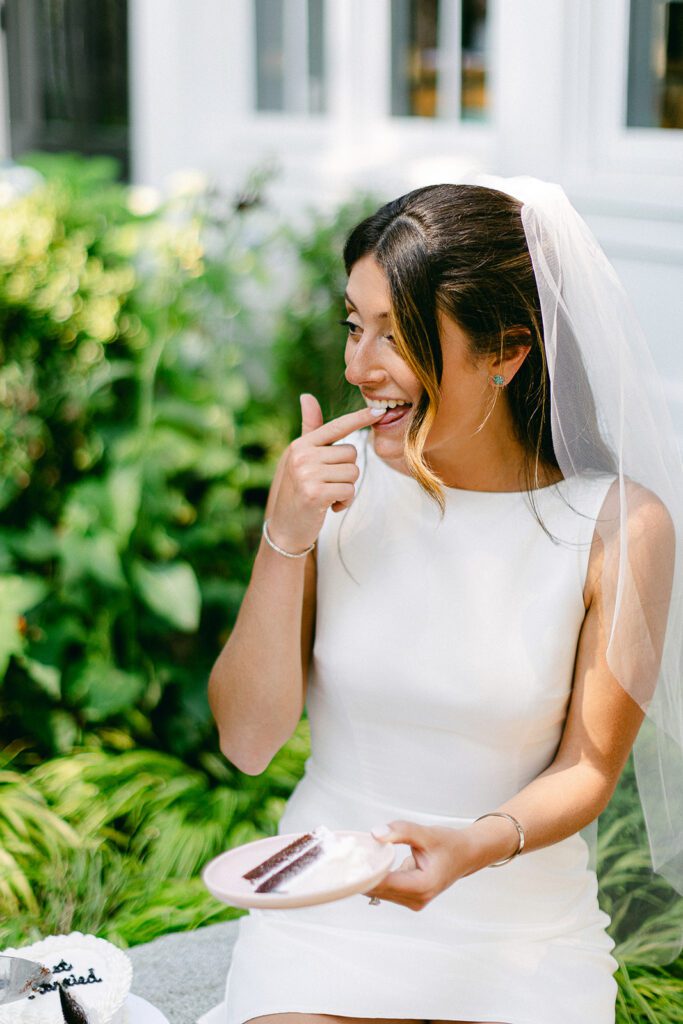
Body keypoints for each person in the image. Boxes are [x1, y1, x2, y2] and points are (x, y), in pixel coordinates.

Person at [204, 179, 682, 1024]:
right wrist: (284, 539)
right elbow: (247, 742)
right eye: (355, 326)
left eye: (397, 335)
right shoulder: (333, 496)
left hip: (521, 931)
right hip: (326, 913)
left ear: (505, 351)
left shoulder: (618, 526)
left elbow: (585, 767)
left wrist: (476, 843)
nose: (357, 366)